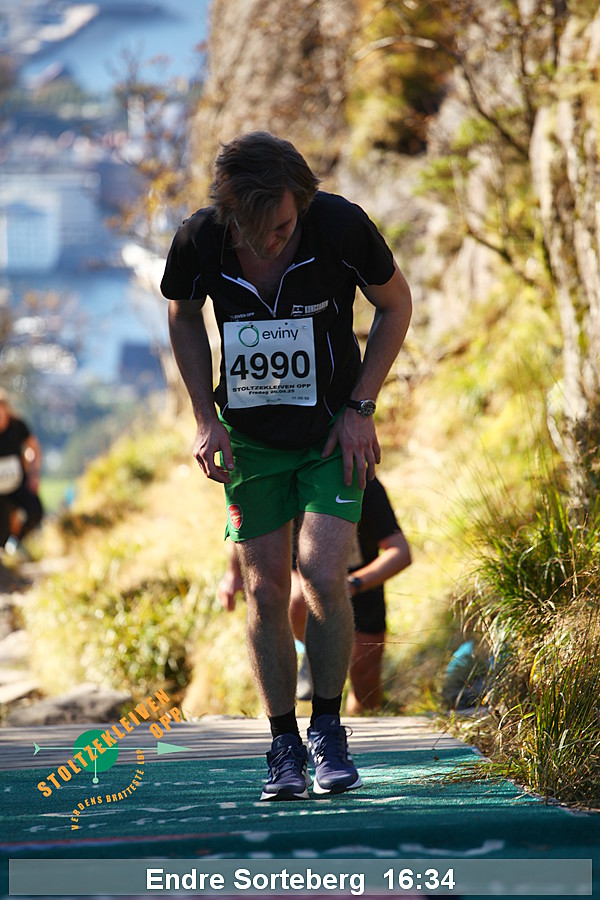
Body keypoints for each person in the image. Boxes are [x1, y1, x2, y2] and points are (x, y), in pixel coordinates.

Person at [161, 131, 412, 801]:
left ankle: (328, 729)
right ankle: (283, 744)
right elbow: (183, 315)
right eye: (253, 231)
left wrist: (362, 407)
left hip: (332, 432)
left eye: (282, 227)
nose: (270, 242)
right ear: (228, 215)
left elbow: (396, 304)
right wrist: (204, 418)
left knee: (323, 572)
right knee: (267, 590)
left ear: (302, 202)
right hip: (251, 440)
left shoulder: (339, 225)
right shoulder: (199, 239)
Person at [218, 476, 412, 713]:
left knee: (366, 681)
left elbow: (401, 552)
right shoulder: (283, 474)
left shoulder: (362, 481)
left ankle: (357, 721)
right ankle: (314, 653)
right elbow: (249, 519)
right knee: (300, 598)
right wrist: (232, 573)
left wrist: (353, 584)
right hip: (300, 578)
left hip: (360, 587)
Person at [0, 390, 43, 558]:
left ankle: (18, 542)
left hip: (18, 484)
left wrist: (34, 475)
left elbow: (34, 448)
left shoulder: (17, 427)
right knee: (2, 534)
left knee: (35, 512)